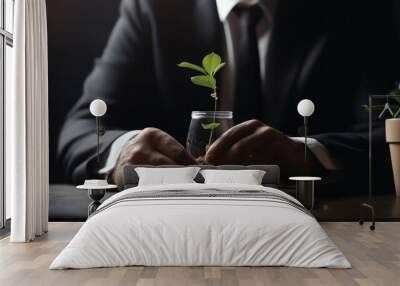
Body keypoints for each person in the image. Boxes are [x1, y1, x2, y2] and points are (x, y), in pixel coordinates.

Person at [58, 0, 400, 191]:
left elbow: (388, 130)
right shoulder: (154, 9)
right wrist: (124, 153)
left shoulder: (355, 11)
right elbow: (83, 128)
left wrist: (310, 153)